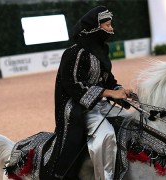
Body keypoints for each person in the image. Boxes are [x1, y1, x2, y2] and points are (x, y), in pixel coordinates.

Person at [50, 6, 133, 180]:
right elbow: (73, 84)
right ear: (94, 27)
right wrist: (110, 93)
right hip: (79, 109)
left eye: (111, 25)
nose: (111, 29)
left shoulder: (102, 50)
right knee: (106, 136)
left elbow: (108, 79)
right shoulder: (74, 53)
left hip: (101, 104)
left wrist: (121, 91)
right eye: (108, 25)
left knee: (133, 123)